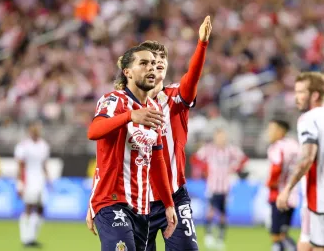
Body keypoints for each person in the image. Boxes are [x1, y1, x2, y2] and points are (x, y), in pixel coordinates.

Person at [86, 45, 177, 251]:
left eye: (153, 64)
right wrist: (129, 116)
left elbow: (157, 160)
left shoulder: (154, 109)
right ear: (127, 72)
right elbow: (94, 131)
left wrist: (168, 204)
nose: (151, 68)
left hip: (142, 207)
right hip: (112, 201)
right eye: (143, 63)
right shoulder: (113, 100)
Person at [141, 15, 212, 251]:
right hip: (138, 201)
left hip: (174, 195)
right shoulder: (126, 105)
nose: (158, 61)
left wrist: (201, 45)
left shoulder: (175, 98)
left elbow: (192, 80)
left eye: (162, 58)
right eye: (151, 59)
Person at [276, 72, 324, 251]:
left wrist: (287, 189)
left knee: (323, 248)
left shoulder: (308, 119)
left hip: (320, 197)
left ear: (314, 95)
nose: (296, 97)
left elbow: (307, 158)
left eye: (300, 92)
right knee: (304, 245)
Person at [192, 128, 248, 249]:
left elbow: (243, 159)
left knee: (223, 213)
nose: (221, 139)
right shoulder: (209, 149)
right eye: (219, 137)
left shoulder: (231, 149)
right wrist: (204, 169)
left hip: (225, 186)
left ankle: (221, 238)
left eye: (223, 137)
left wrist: (235, 168)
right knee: (211, 211)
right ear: (215, 137)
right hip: (212, 186)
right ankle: (209, 235)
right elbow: (195, 159)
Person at [265, 119, 300, 251]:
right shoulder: (294, 145)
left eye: (271, 129)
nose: (269, 133)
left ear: (280, 131)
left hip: (278, 195)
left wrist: (270, 183)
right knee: (284, 233)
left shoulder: (276, 147)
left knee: (276, 235)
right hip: (292, 195)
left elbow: (276, 168)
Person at [15, 121, 50, 248]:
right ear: (30, 131)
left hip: (40, 180)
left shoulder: (44, 146)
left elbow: (44, 165)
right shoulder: (23, 146)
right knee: (29, 207)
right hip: (29, 180)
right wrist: (19, 183)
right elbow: (20, 166)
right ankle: (25, 238)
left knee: (41, 208)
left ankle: (32, 237)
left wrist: (49, 179)